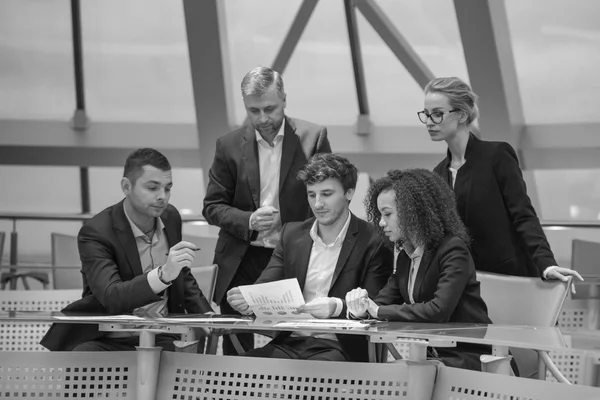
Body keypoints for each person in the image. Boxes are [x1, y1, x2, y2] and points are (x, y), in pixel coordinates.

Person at [203, 66, 332, 355]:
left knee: (293, 341)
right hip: (241, 258)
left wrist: (286, 225)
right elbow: (211, 207)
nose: (263, 119)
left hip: (292, 256)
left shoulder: (313, 137)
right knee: (236, 344)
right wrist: (248, 220)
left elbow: (328, 201)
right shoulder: (228, 145)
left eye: (270, 109)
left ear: (284, 99)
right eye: (254, 111)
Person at [41, 148, 213, 352]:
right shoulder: (96, 232)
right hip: (108, 336)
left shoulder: (170, 217)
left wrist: (207, 316)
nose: (162, 197)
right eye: (152, 188)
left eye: (168, 188)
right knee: (83, 365)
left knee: (188, 369)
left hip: (163, 335)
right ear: (126, 186)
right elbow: (112, 297)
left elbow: (181, 274)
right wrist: (162, 275)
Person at [227, 154, 392, 362]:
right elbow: (265, 287)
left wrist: (336, 307)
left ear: (349, 193)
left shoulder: (374, 241)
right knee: (241, 373)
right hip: (289, 343)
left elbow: (374, 306)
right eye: (311, 194)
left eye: (327, 194)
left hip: (340, 347)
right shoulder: (292, 234)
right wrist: (249, 300)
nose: (318, 203)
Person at [422, 76, 582, 282]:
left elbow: (523, 214)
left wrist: (546, 263)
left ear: (462, 114)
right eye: (426, 115)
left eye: (437, 114)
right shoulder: (438, 174)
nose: (428, 122)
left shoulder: (496, 155)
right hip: (468, 285)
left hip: (511, 278)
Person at [346, 169, 492, 371]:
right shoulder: (407, 256)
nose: (380, 222)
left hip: (470, 357)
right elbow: (382, 302)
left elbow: (438, 310)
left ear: (412, 211)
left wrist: (377, 310)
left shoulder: (453, 248)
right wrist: (361, 309)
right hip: (434, 358)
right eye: (380, 214)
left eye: (387, 214)